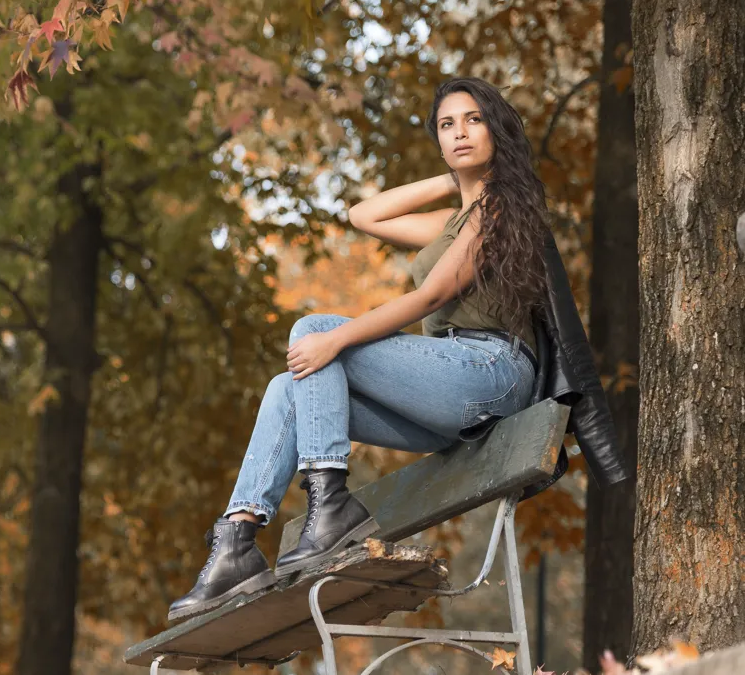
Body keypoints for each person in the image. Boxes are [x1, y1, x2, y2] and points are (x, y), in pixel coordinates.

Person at [168, 77, 553, 623]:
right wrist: (454, 180)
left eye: (473, 120)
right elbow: (364, 215)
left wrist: (337, 337)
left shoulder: (499, 208)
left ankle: (331, 506)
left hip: (489, 371)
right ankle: (237, 540)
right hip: (447, 397)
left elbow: (432, 295)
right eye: (447, 125)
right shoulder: (457, 219)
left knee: (315, 330)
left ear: (499, 128)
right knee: (289, 385)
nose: (460, 132)